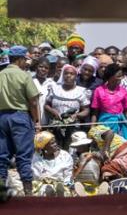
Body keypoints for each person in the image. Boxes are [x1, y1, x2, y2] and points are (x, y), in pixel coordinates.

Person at [0, 46, 40, 196]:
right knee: (23, 156)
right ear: (20, 59)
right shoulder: (24, 76)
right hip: (20, 117)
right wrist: (36, 121)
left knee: (2, 156)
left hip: (1, 117)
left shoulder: (1, 74)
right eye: (25, 59)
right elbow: (34, 102)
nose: (26, 63)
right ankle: (28, 193)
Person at [45, 65, 90, 148]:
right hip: (55, 126)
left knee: (70, 148)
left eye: (72, 74)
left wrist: (76, 115)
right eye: (66, 73)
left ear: (76, 76)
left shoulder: (81, 91)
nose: (68, 75)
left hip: (73, 127)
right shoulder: (55, 88)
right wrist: (53, 111)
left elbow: (86, 110)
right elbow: (46, 105)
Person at [91, 63, 127, 143]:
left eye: (122, 76)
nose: (121, 78)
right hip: (105, 125)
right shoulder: (99, 91)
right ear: (110, 76)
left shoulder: (123, 91)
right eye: (118, 76)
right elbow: (95, 112)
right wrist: (92, 128)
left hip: (121, 126)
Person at [32, 131, 73, 196]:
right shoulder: (37, 158)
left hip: (61, 184)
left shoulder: (65, 156)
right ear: (44, 147)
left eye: (55, 142)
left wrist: (67, 185)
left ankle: (60, 192)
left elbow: (68, 175)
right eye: (52, 143)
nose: (55, 144)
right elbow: (36, 177)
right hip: (43, 185)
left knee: (64, 190)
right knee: (45, 189)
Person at [30, 57, 56, 127]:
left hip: (47, 121)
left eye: (46, 68)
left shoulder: (52, 84)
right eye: (41, 66)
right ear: (36, 67)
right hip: (32, 120)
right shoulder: (30, 81)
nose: (43, 69)